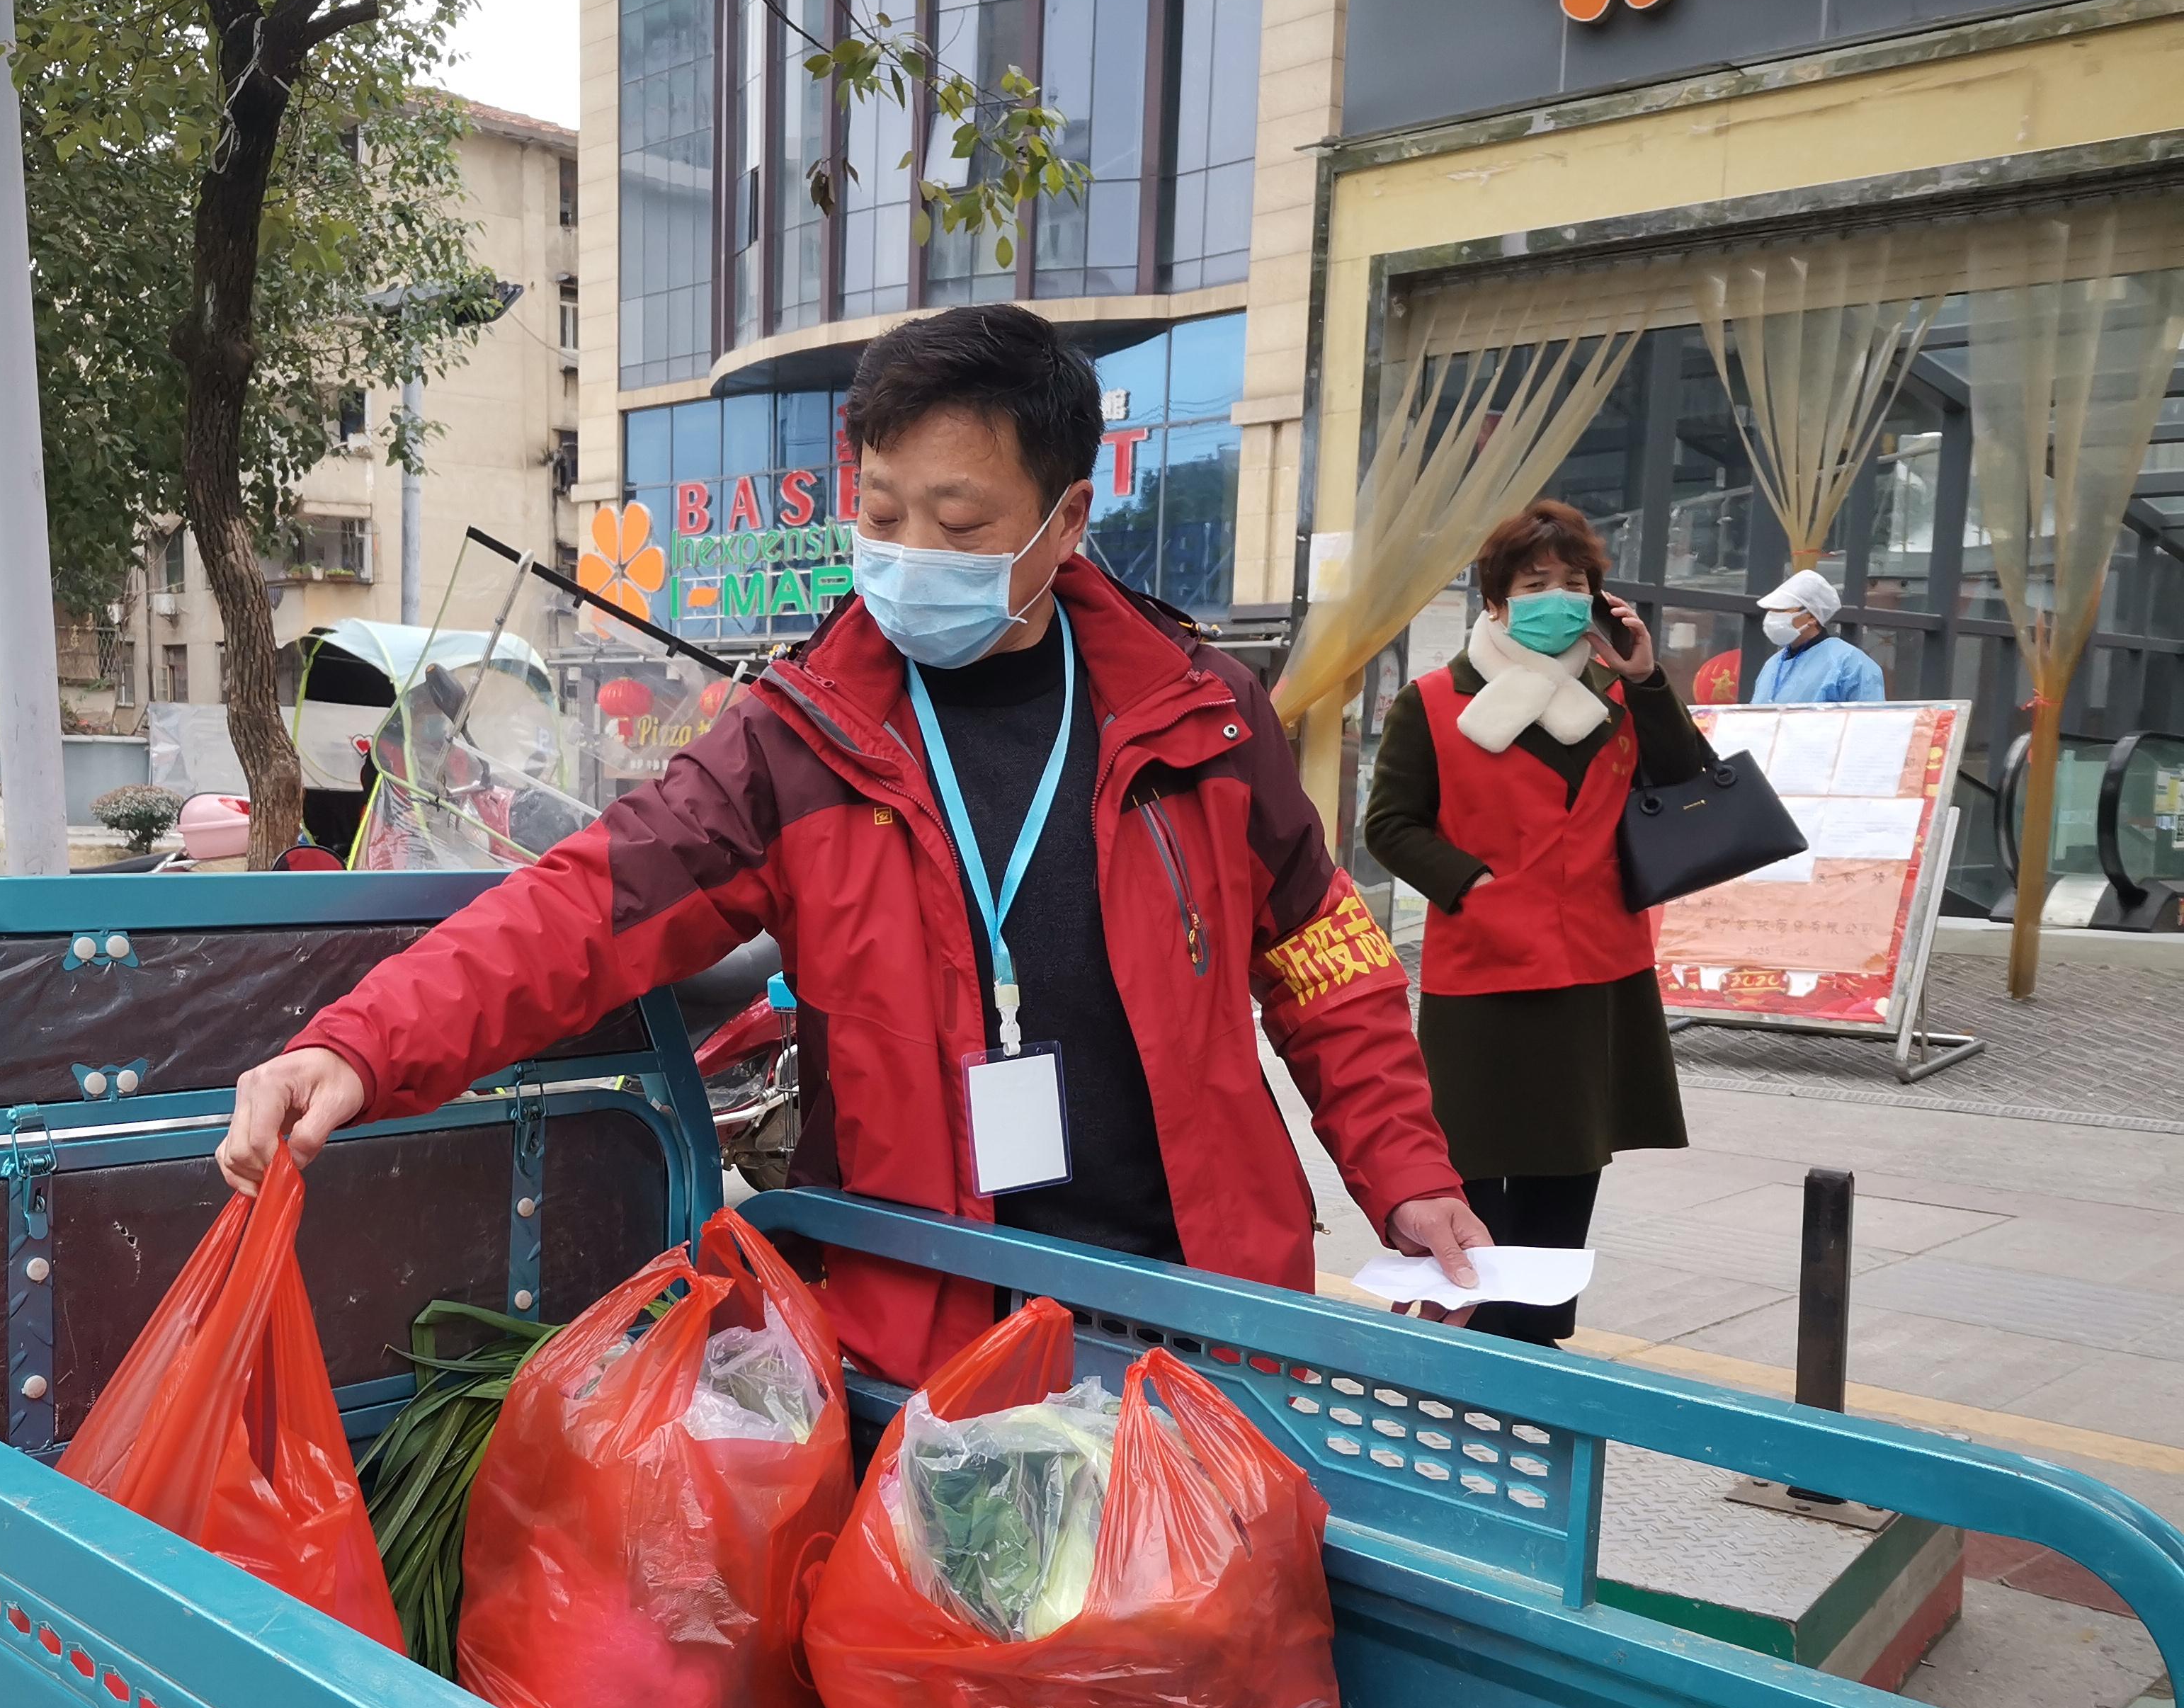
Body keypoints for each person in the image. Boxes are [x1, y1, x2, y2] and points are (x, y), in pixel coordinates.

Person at [220, 304, 1486, 1385]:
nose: (907, 554)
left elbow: (1326, 960)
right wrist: (360, 1042)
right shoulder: (796, 740)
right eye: (879, 511)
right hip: (929, 1338)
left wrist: (1406, 1172)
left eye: (959, 521)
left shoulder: (1201, 719)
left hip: (1191, 1320)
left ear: (1065, 522)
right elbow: (582, 908)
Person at [1363, 500, 1714, 1345]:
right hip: (1481, 971)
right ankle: (1466, 1332)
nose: (1556, 595)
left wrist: (1646, 680)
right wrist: (1472, 886)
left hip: (1597, 969)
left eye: (1572, 581)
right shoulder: (1433, 702)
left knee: (1568, 1167)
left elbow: (1691, 785)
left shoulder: (1618, 702)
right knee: (1472, 1167)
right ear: (1495, 599)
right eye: (1534, 583)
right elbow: (1390, 826)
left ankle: (1537, 1338)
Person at [1749, 568, 1885, 703]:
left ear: (1812, 616)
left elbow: (1869, 720)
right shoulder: (1772, 665)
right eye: (1772, 610)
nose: (1773, 616)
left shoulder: (1850, 663)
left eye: (1783, 610)